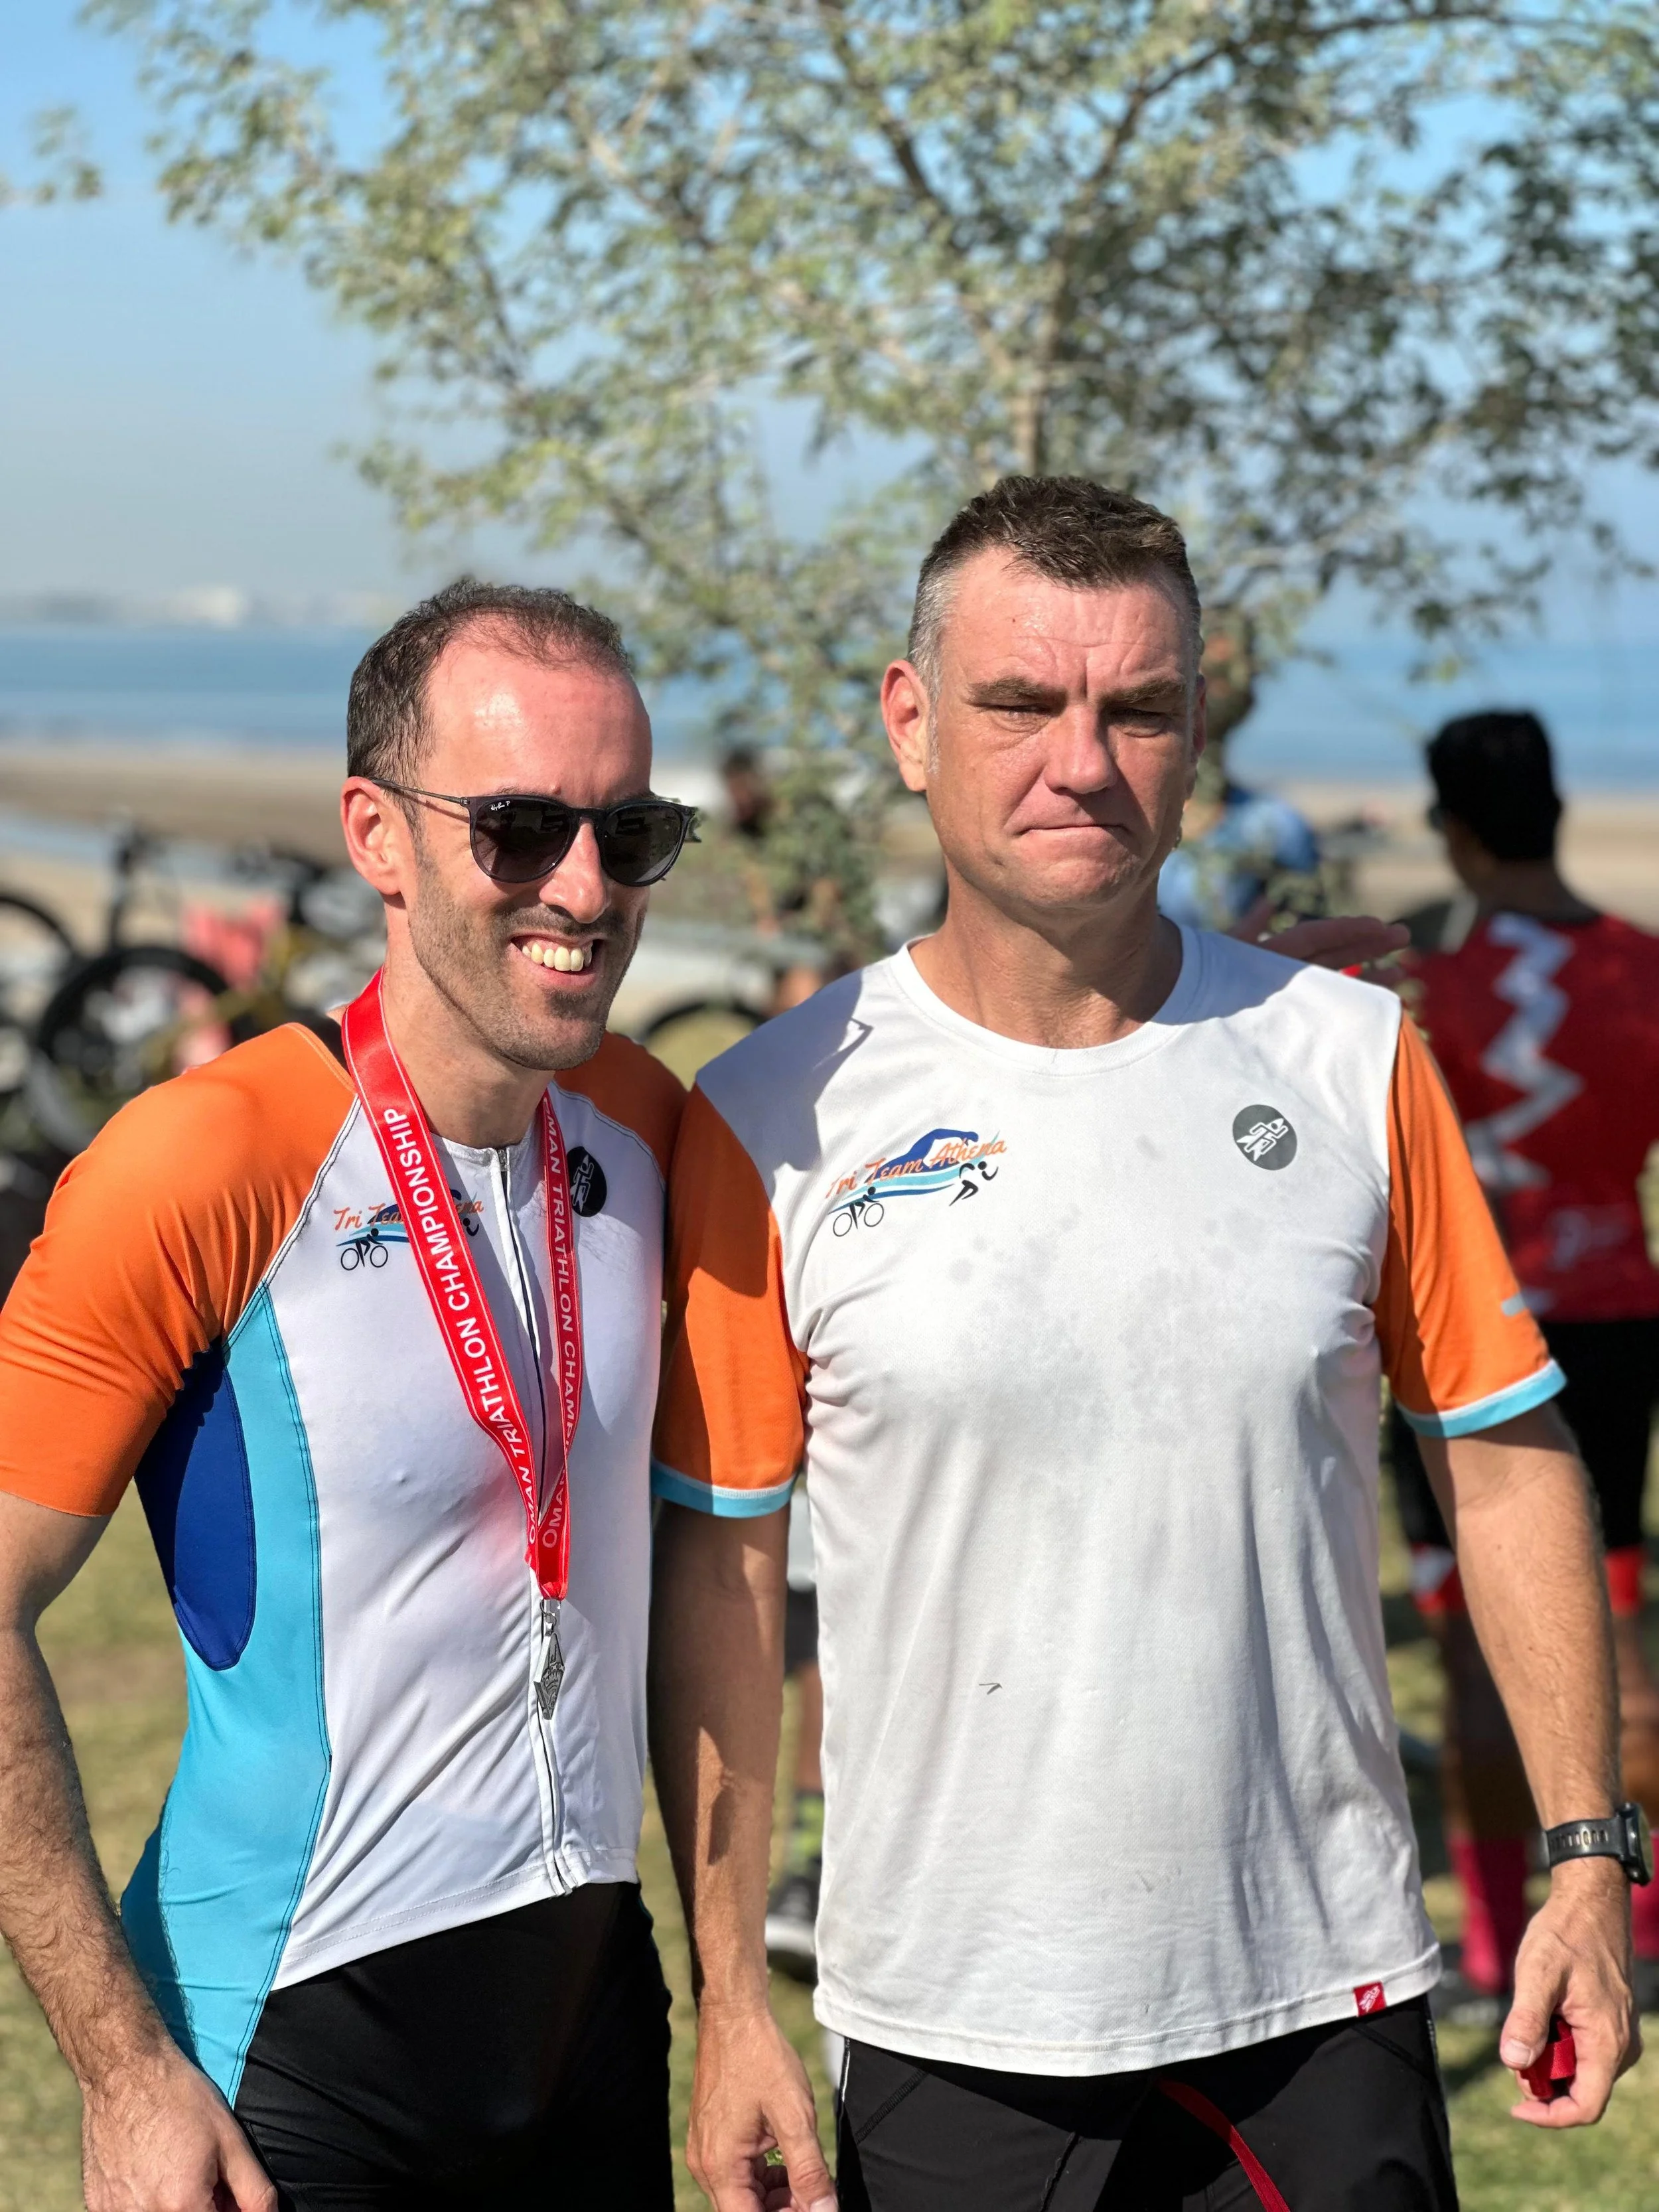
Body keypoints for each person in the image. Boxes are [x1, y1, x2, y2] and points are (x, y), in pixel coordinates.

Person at [646, 477, 1642, 2212]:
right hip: (949, 2020)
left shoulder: (1347, 1059)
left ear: (1192, 735)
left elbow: (1500, 1458)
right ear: (908, 722)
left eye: (1139, 707)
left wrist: (1580, 1859)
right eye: (1018, 703)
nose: (1079, 760)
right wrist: (732, 1995)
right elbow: (726, 1581)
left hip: (1316, 1998)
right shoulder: (764, 1115)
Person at [0, 580, 694, 2212]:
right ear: (376, 836)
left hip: (595, 2024)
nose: (582, 889)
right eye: (517, 829)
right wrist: (119, 2068)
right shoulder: (208, 1157)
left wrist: (1180, 1002)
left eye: (629, 830)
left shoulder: (656, 1126)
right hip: (295, 2051)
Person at [1388, 709, 1659, 2016]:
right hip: (1612, 1323)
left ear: (1451, 826)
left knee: (1467, 1637)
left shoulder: (1422, 986)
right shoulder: (1638, 968)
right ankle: (1639, 1931)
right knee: (1611, 1625)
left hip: (1463, 1335)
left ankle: (1497, 1953)